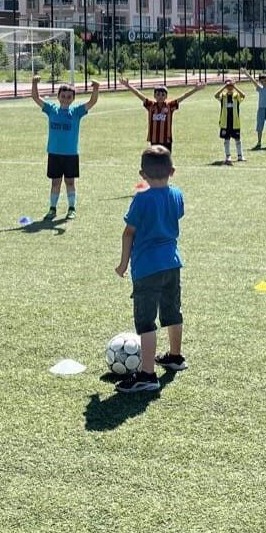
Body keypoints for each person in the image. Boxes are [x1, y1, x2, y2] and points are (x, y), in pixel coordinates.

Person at [113, 146, 186, 393]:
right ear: (172, 171)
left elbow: (128, 232)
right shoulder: (177, 194)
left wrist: (123, 264)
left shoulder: (141, 199)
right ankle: (175, 356)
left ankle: (147, 375)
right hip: (172, 263)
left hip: (147, 268)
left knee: (146, 321)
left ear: (142, 174)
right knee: (172, 311)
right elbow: (176, 215)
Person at [31, 77, 99, 222]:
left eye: (69, 97)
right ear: (58, 97)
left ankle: (71, 208)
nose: (66, 99)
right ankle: (52, 208)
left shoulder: (76, 112)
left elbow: (92, 102)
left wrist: (96, 88)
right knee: (55, 183)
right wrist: (34, 83)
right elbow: (35, 97)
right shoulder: (51, 109)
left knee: (70, 182)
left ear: (73, 98)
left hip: (71, 154)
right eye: (63, 96)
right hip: (54, 153)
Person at [122, 79, 205, 151]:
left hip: (166, 140)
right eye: (158, 94)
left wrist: (195, 89)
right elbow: (139, 95)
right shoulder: (151, 105)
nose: (160, 97)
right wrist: (128, 85)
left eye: (163, 95)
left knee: (165, 161)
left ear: (166, 96)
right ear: (154, 96)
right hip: (154, 140)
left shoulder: (170, 106)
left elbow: (183, 97)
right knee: (155, 161)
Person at [214, 79, 246, 164]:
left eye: (231, 85)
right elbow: (216, 95)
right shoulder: (223, 96)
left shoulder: (236, 95)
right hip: (225, 122)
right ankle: (228, 156)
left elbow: (243, 95)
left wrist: (235, 87)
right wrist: (224, 87)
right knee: (226, 139)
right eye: (228, 86)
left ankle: (240, 156)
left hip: (235, 122)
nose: (230, 87)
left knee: (237, 139)